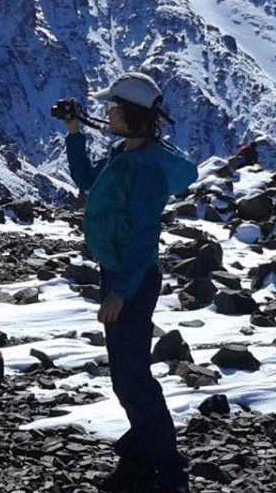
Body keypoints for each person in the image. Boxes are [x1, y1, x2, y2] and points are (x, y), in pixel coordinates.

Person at [62, 72, 198, 493]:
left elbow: (145, 239)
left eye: (113, 108)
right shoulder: (125, 153)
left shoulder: (145, 171)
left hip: (130, 279)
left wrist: (121, 292)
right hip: (120, 273)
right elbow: (88, 182)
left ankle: (169, 471)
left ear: (130, 114)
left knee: (133, 377)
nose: (107, 113)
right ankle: (140, 460)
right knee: (126, 374)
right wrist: (74, 135)